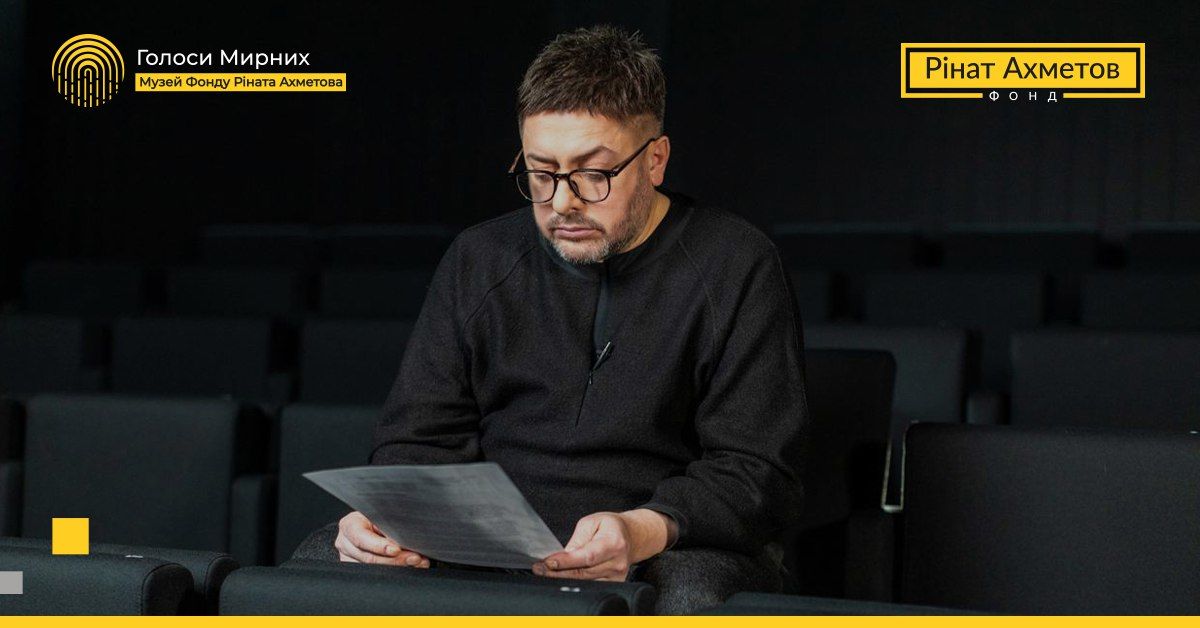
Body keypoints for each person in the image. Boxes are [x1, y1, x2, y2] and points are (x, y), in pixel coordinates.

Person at [293, 24, 809, 615]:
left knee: (687, 597)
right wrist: (385, 518)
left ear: (655, 160)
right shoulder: (479, 258)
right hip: (487, 544)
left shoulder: (736, 263)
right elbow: (416, 439)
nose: (563, 201)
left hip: (663, 543)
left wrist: (644, 527)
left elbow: (757, 472)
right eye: (541, 174)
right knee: (318, 566)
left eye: (594, 174)